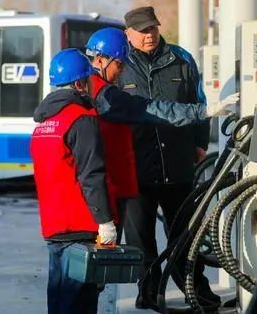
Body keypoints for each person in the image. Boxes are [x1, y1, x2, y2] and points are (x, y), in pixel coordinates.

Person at [80, 27, 238, 239]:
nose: (121, 71)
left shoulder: (84, 92)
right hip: (106, 191)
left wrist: (201, 129)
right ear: (100, 60)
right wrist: (204, 111)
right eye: (119, 64)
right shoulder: (106, 97)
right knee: (113, 249)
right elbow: (155, 110)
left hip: (115, 187)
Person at [117, 6, 222, 310]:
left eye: (152, 28)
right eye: (142, 31)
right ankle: (148, 292)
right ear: (128, 34)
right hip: (136, 168)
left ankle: (196, 292)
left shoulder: (181, 59)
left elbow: (198, 102)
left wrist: (200, 143)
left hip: (178, 165)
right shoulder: (119, 65)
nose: (149, 35)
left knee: (185, 236)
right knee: (140, 239)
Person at [30, 48, 118, 314]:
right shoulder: (81, 120)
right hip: (80, 227)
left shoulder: (44, 124)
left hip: (54, 227)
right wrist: (105, 221)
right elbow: (92, 175)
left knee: (59, 302)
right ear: (79, 84)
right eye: (89, 80)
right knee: (80, 304)